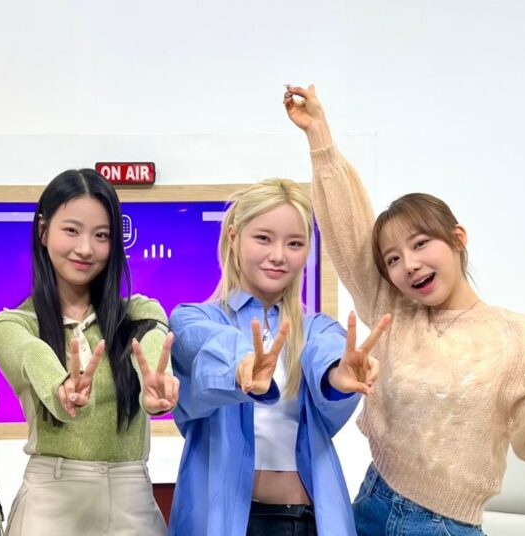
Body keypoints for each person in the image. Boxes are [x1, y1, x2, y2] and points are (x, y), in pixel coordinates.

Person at [285, 84, 525, 535]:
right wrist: (319, 138)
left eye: (421, 244)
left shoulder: (519, 339)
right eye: (393, 259)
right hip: (370, 504)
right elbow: (349, 233)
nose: (409, 264)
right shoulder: (393, 313)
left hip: (445, 526)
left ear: (458, 238)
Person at [167, 177, 390, 536]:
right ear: (234, 237)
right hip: (226, 524)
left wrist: (338, 375)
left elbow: (326, 355)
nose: (279, 255)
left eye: (294, 243)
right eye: (264, 238)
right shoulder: (193, 318)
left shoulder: (317, 328)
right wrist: (242, 365)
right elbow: (207, 346)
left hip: (307, 522)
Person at [0, 169, 178, 536]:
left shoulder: (141, 311)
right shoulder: (12, 324)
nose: (86, 248)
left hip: (131, 500)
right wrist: (62, 390)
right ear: (43, 231)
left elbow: (153, 344)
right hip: (51, 502)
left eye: (101, 235)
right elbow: (30, 354)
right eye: (72, 230)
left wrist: (156, 383)